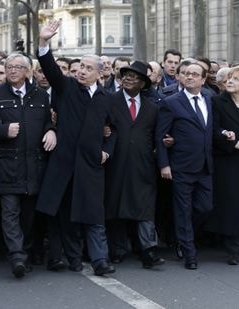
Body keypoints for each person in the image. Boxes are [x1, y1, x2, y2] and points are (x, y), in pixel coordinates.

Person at [36, 20, 116, 276]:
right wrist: (44, 42)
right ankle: (72, 258)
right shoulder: (67, 87)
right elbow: (50, 69)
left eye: (88, 68)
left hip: (91, 165)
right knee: (67, 213)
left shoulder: (107, 99)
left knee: (94, 215)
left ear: (100, 74)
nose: (81, 71)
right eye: (80, 66)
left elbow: (114, 130)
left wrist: (107, 149)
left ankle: (100, 260)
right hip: (64, 163)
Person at [0, 53, 56, 278]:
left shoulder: (41, 96)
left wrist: (51, 130)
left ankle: (26, 250)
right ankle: (16, 256)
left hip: (33, 165)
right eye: (9, 67)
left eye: (17, 67)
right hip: (6, 166)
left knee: (28, 216)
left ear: (27, 71)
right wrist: (3, 130)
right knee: (10, 213)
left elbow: (47, 121)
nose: (12, 70)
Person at [105, 61, 164, 269]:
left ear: (143, 84)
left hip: (143, 166)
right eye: (126, 75)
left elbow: (156, 137)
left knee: (144, 208)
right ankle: (117, 249)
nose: (129, 78)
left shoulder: (152, 108)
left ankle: (149, 250)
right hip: (115, 164)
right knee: (116, 206)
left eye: (135, 77)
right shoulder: (109, 101)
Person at [156, 63, 214, 270]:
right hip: (181, 166)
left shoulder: (210, 98)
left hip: (206, 166)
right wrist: (164, 164)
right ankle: (189, 252)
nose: (190, 77)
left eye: (195, 74)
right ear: (181, 78)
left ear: (203, 79)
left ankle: (183, 237)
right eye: (187, 74)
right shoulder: (171, 102)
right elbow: (161, 135)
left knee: (205, 207)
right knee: (183, 210)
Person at [206, 67, 239, 265]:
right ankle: (232, 247)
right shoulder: (216, 102)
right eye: (229, 79)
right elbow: (213, 130)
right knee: (229, 203)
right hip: (226, 160)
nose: (229, 82)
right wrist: (233, 143)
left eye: (235, 79)